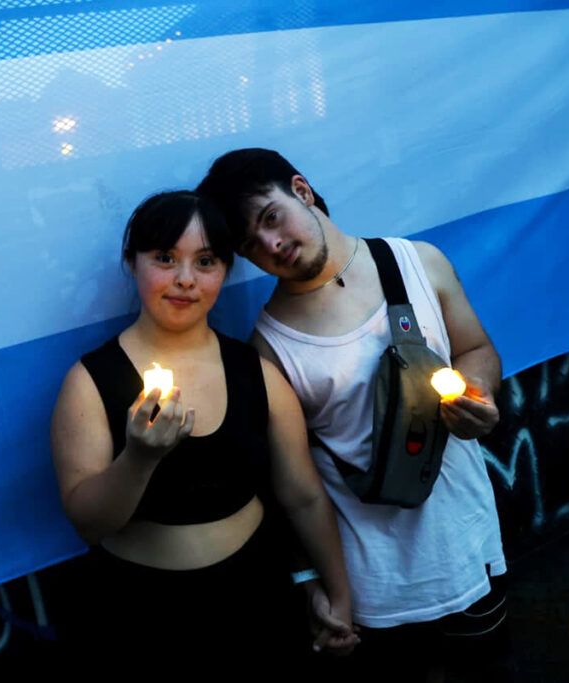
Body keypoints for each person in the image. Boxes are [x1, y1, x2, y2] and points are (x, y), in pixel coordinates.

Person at [197, 149, 512, 682]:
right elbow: (294, 486)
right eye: (252, 244)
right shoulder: (270, 346)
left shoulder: (419, 262)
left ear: (301, 189)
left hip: (469, 546)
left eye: (271, 218)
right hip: (375, 586)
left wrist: (478, 396)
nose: (272, 245)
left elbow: (477, 349)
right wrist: (314, 582)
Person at [49, 191, 356, 680]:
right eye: (165, 259)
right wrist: (139, 458)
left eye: (206, 261)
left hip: (256, 601)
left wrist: (338, 594)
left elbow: (302, 496)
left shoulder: (258, 372)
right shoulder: (90, 382)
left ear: (225, 270)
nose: (185, 280)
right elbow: (88, 523)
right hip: (138, 613)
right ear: (132, 263)